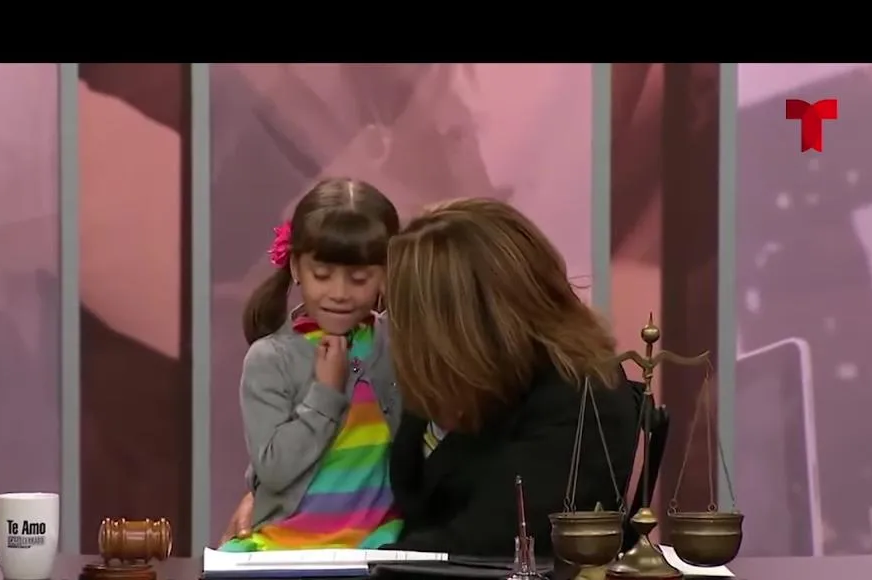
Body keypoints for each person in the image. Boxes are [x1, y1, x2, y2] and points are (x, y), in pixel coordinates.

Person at [225, 198, 639, 557]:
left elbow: (485, 543)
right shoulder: (455, 378)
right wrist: (292, 507)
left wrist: (342, 568)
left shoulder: (581, 398)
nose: (395, 329)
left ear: (464, 321)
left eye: (405, 314)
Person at [219, 178, 403, 552]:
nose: (339, 293)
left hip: (379, 544)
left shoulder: (396, 343)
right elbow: (274, 469)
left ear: (385, 273)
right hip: (283, 546)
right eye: (322, 275)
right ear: (296, 268)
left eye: (359, 278)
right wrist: (325, 395)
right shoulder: (272, 359)